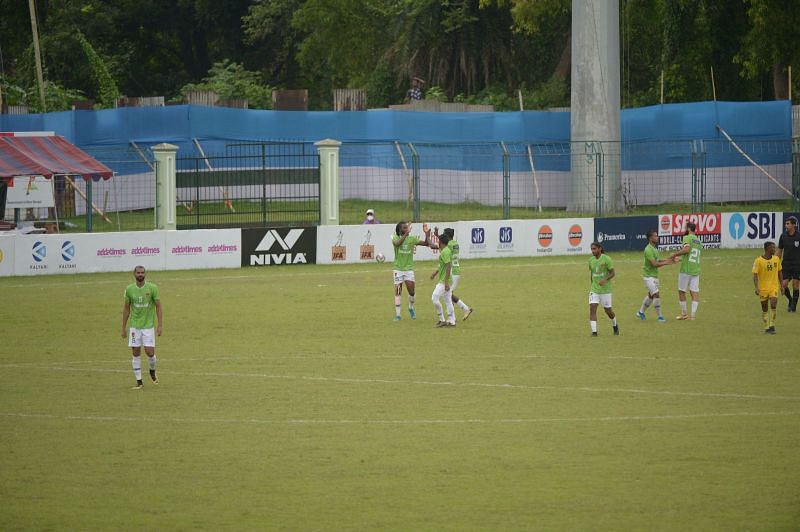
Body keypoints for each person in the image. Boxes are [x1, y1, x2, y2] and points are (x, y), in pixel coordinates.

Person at [122, 265, 162, 389]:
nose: (140, 274)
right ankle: (139, 382)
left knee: (150, 352)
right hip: (134, 326)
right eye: (138, 272)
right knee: (135, 352)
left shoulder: (152, 288)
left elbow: (159, 307)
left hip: (148, 326)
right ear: (134, 274)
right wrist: (123, 328)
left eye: (142, 272)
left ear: (145, 274)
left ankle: (152, 370)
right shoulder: (129, 289)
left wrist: (160, 325)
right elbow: (126, 309)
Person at [392, 221, 431, 321]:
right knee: (398, 292)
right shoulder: (395, 237)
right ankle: (398, 315)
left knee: (412, 292)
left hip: (408, 270)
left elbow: (426, 243)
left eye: (407, 227)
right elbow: (397, 244)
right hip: (398, 269)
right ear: (400, 229)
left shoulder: (412, 239)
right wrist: (406, 233)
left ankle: (411, 307)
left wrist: (426, 233)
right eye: (404, 228)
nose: (407, 229)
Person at [636, 229, 676, 322]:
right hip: (648, 276)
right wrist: (668, 262)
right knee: (656, 294)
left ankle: (640, 312)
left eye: (657, 235)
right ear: (650, 238)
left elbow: (658, 261)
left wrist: (670, 261)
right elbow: (654, 264)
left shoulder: (654, 249)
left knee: (651, 295)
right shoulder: (648, 249)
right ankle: (660, 316)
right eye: (655, 236)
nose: (657, 237)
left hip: (654, 276)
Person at [435, 227, 473, 320]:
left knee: (448, 294)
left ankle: (464, 310)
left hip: (452, 271)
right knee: (448, 294)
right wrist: (437, 235)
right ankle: (456, 315)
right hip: (456, 270)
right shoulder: (455, 243)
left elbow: (439, 246)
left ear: (447, 236)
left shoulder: (449, 246)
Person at [670, 221, 702, 320]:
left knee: (681, 291)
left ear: (688, 229)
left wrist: (675, 254)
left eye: (685, 228)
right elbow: (691, 255)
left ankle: (684, 314)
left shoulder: (686, 238)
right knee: (694, 292)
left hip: (686, 270)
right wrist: (680, 259)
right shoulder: (698, 240)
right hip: (695, 269)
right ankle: (692, 316)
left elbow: (687, 250)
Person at [588, 242, 618, 336]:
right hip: (594, 290)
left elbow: (613, 273)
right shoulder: (591, 260)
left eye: (594, 249)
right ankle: (594, 332)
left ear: (600, 249)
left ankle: (615, 325)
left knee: (608, 311)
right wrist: (592, 285)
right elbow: (592, 274)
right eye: (592, 249)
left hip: (605, 290)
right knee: (592, 308)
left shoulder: (607, 259)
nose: (593, 251)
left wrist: (605, 279)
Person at [752, 241, 782, 334]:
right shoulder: (758, 261)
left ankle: (772, 325)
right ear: (768, 249)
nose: (775, 249)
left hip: (773, 287)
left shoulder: (776, 259)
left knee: (773, 304)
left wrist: (782, 285)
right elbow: (755, 275)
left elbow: (779, 272)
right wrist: (757, 288)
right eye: (773, 247)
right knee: (764, 308)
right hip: (763, 288)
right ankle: (767, 327)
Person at [430, 232, 455, 327]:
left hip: (444, 281)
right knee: (448, 299)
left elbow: (448, 266)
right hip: (445, 279)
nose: (437, 242)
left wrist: (446, 282)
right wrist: (435, 273)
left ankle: (442, 320)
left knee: (434, 298)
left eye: (438, 241)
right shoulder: (446, 250)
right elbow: (443, 265)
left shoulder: (445, 252)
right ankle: (452, 321)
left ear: (440, 242)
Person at [777, 215, 800, 312]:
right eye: (785, 224)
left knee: (795, 284)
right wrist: (776, 262)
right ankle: (790, 300)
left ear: (793, 225)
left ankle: (793, 307)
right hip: (786, 264)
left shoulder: (799, 236)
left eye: (788, 224)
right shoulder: (783, 236)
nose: (786, 225)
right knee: (784, 285)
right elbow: (779, 250)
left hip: (797, 264)